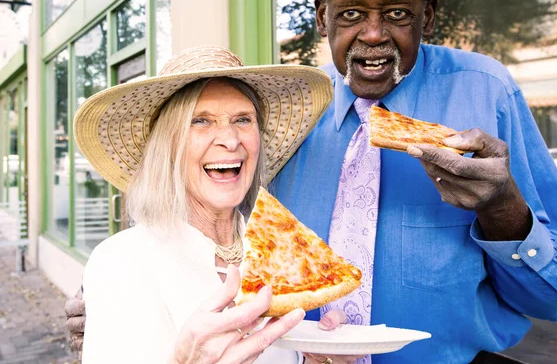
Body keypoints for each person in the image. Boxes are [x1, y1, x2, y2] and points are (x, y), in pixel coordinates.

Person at [67, 0, 557, 364]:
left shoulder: (486, 91)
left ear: (429, 17)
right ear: (322, 20)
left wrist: (503, 209)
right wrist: (125, 293)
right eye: (350, 14)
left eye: (397, 13)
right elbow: (213, 225)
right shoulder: (285, 113)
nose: (373, 33)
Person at [71, 45, 361, 364]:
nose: (230, 139)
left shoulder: (273, 255)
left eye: (242, 119)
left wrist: (317, 361)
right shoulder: (121, 261)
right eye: (201, 121)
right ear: (168, 148)